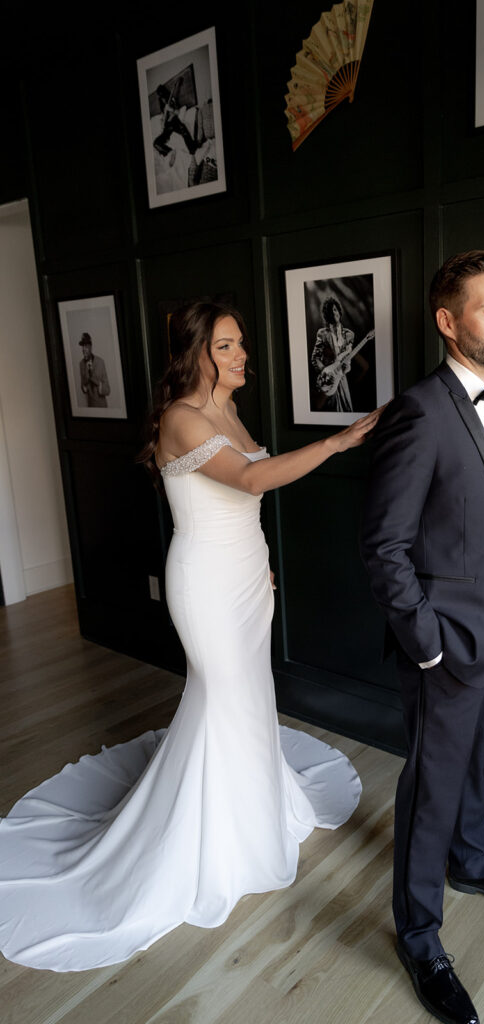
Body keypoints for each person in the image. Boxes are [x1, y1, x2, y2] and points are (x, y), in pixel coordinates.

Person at [0, 299, 380, 972]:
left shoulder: (229, 412)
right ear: (196, 352)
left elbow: (241, 502)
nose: (242, 357)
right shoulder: (181, 417)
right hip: (203, 583)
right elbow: (253, 476)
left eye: (240, 345)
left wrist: (259, 558)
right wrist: (337, 441)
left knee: (246, 698)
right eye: (228, 346)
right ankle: (198, 842)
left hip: (242, 576)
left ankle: (248, 815)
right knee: (220, 695)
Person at [360, 252, 484, 1024]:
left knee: (477, 758)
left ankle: (473, 862)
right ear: (448, 322)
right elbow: (383, 545)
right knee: (430, 786)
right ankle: (418, 934)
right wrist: (426, 643)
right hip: (445, 642)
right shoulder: (419, 411)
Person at [311, 297, 367, 412]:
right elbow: (315, 357)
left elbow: (348, 359)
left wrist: (348, 368)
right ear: (327, 315)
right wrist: (325, 372)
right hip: (327, 380)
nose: (333, 313)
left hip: (342, 379)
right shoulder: (322, 333)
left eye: (335, 310)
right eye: (330, 311)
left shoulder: (349, 334)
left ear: (339, 312)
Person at [78, 331, 110, 407]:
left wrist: (97, 382)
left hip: (102, 406)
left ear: (90, 347)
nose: (83, 349)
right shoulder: (81, 364)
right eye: (82, 346)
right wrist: (85, 385)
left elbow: (107, 390)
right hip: (90, 407)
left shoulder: (100, 362)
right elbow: (83, 388)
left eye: (85, 346)